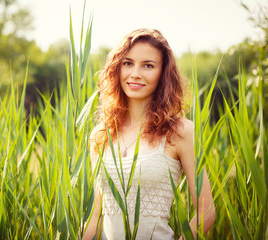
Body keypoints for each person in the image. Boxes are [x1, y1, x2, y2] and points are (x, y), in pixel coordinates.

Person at [83, 29, 215, 240]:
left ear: (163, 73)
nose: (135, 73)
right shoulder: (100, 135)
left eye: (148, 65)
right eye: (127, 63)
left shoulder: (181, 132)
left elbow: (206, 211)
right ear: (116, 69)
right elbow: (98, 215)